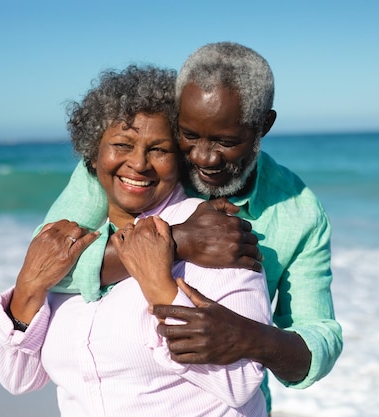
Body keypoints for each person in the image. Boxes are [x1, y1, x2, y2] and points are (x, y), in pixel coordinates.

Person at [40, 42, 343, 413]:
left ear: (264, 125)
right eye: (189, 135)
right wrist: (181, 240)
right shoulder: (136, 167)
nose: (203, 157)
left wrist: (252, 339)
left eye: (225, 141)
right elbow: (47, 266)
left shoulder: (298, 212)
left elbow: (319, 336)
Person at [0, 65, 272, 417]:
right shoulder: (69, 249)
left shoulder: (211, 234)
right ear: (93, 154)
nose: (138, 163)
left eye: (159, 150)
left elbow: (242, 381)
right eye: (122, 145)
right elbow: (18, 377)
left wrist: (160, 289)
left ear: (180, 160)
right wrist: (29, 288)